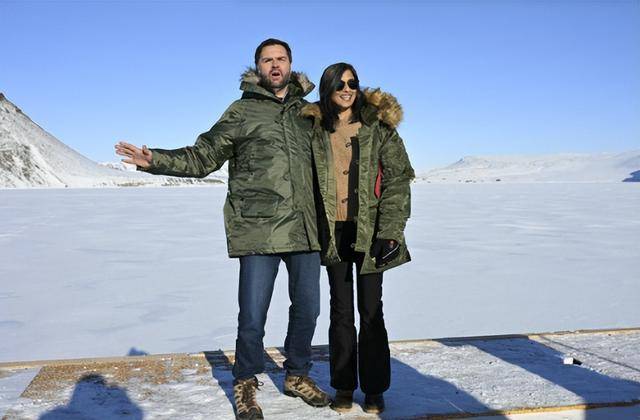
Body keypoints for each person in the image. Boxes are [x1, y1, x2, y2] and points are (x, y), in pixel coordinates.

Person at [115, 38, 330, 420]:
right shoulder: (241, 111)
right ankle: (245, 382)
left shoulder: (309, 112)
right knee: (252, 316)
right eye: (267, 60)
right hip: (258, 228)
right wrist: (155, 160)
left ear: (291, 64)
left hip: (305, 227)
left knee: (308, 310)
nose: (275, 65)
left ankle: (297, 375)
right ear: (258, 67)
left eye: (281, 59)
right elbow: (204, 156)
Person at [301, 63, 414, 414]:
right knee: (340, 311)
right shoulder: (314, 129)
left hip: (370, 230)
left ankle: (375, 389)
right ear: (328, 88)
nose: (347, 89)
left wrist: (390, 232)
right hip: (332, 231)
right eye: (340, 84)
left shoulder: (378, 127)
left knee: (371, 310)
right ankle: (344, 386)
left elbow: (398, 179)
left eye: (352, 83)